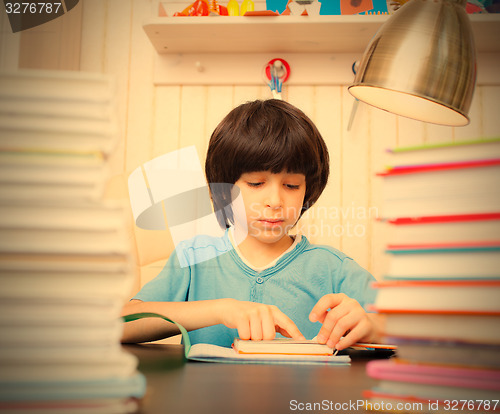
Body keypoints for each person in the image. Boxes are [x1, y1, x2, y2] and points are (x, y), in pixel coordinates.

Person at [121, 99, 383, 351]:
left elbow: (412, 328)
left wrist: (373, 326)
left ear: (308, 190)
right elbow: (121, 323)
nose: (274, 201)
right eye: (256, 184)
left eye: (291, 186)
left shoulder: (332, 268)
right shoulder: (193, 259)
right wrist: (220, 310)